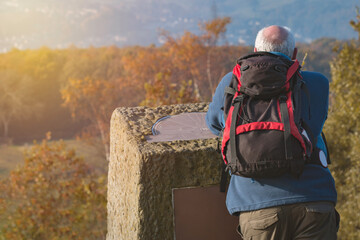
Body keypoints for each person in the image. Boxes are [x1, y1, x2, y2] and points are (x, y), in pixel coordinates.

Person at [206, 25, 339, 240]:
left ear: (256, 49)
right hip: (314, 200)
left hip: (257, 206)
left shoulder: (230, 83)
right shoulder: (317, 83)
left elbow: (214, 124)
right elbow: (315, 125)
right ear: (294, 54)